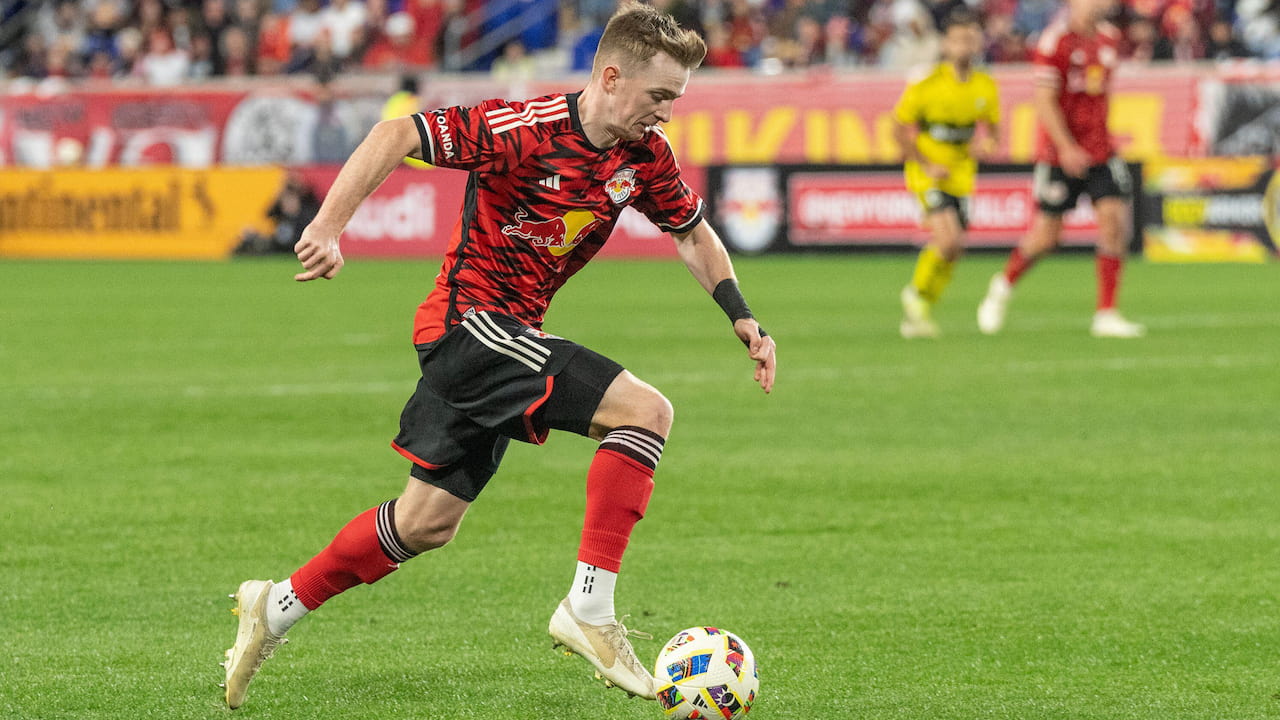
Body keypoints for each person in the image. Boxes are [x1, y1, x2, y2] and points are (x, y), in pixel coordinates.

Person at [222, 2, 777, 710]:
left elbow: (693, 233)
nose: (666, 113)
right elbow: (397, 131)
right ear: (611, 77)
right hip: (466, 328)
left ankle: (273, 607)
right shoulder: (525, 129)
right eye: (660, 96)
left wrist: (743, 316)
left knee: (425, 523)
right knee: (646, 413)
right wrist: (329, 227)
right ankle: (590, 610)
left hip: (503, 338)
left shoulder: (644, 158)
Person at [977, 0, 1145, 338]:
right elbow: (1044, 100)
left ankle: (1106, 313)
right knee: (1046, 238)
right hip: (1059, 154)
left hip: (1101, 151)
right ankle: (1003, 285)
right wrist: (1066, 146)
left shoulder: (1109, 39)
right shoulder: (1055, 41)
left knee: (1114, 224)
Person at [893, 9, 999, 338]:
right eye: (958, 39)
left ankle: (922, 301)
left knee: (954, 248)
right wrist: (926, 164)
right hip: (929, 173)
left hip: (962, 174)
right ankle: (915, 298)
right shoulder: (926, 83)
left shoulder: (985, 85)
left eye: (970, 38)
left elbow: (993, 132)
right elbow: (898, 130)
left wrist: (987, 144)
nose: (965, 45)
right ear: (946, 44)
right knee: (948, 238)